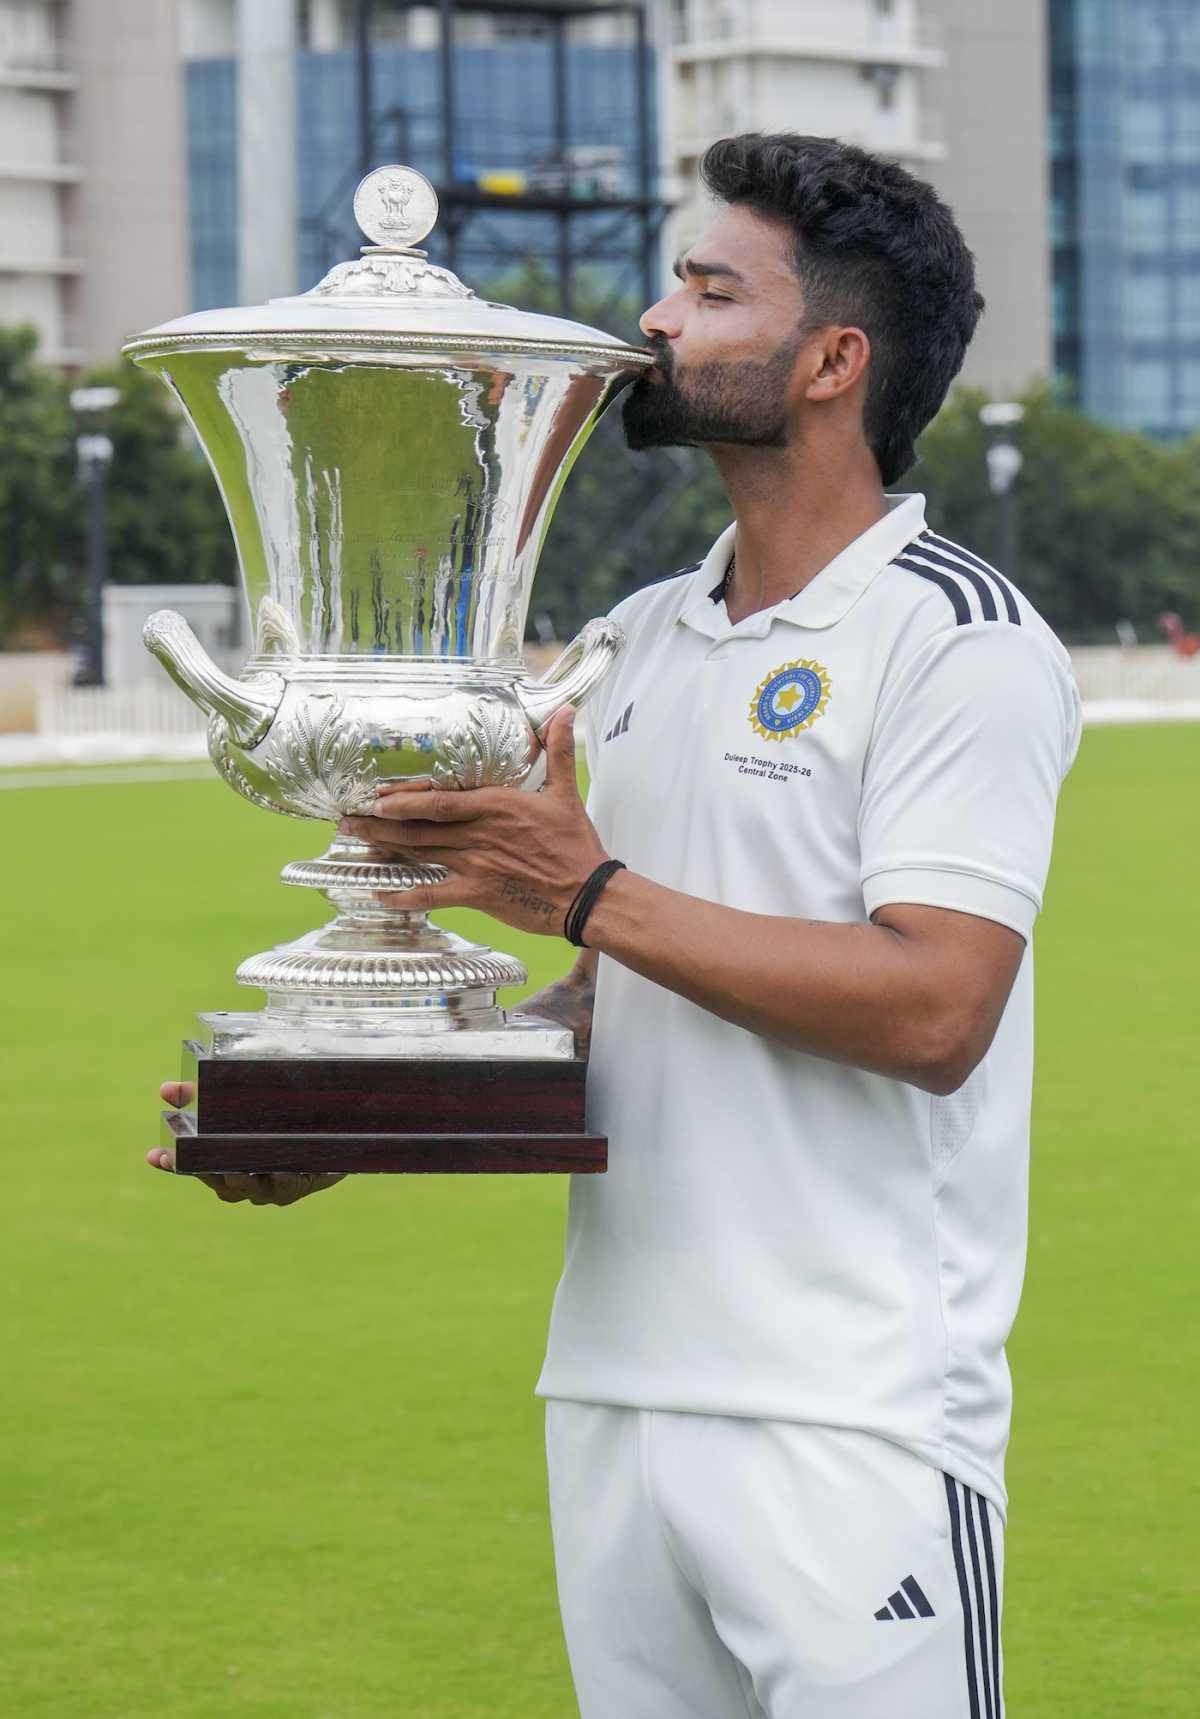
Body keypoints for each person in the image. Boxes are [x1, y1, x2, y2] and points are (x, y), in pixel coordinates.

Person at [149, 134, 1080, 1717]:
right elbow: (617, 999)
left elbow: (938, 1012)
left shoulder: (959, 642)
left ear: (830, 361)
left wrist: (582, 888)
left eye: (711, 289)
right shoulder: (637, 639)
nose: (656, 318)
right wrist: (353, 1097)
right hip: (617, 1395)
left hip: (848, 1417)